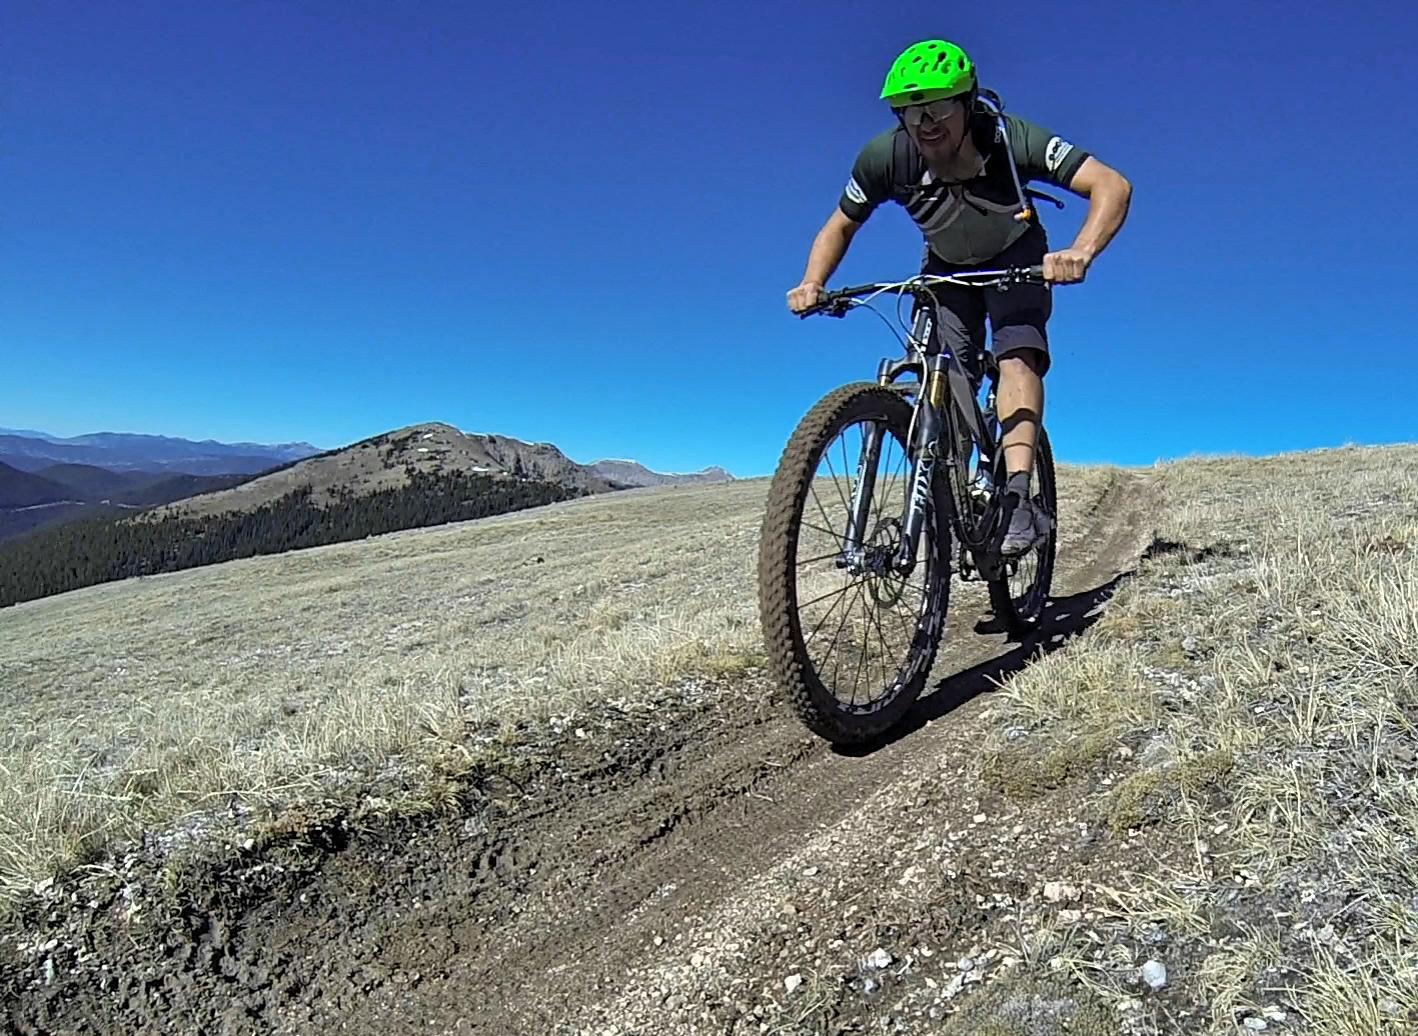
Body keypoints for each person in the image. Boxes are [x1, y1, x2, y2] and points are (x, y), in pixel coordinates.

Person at [787, 40, 1131, 555]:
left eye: (938, 107)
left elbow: (1111, 184)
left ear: (967, 103)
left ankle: (1017, 497)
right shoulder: (887, 157)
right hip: (946, 269)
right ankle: (958, 487)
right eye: (909, 110)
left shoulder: (1012, 140)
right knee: (946, 374)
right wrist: (812, 282)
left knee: (1017, 357)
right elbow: (840, 225)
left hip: (1018, 258)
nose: (924, 122)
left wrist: (1080, 250)